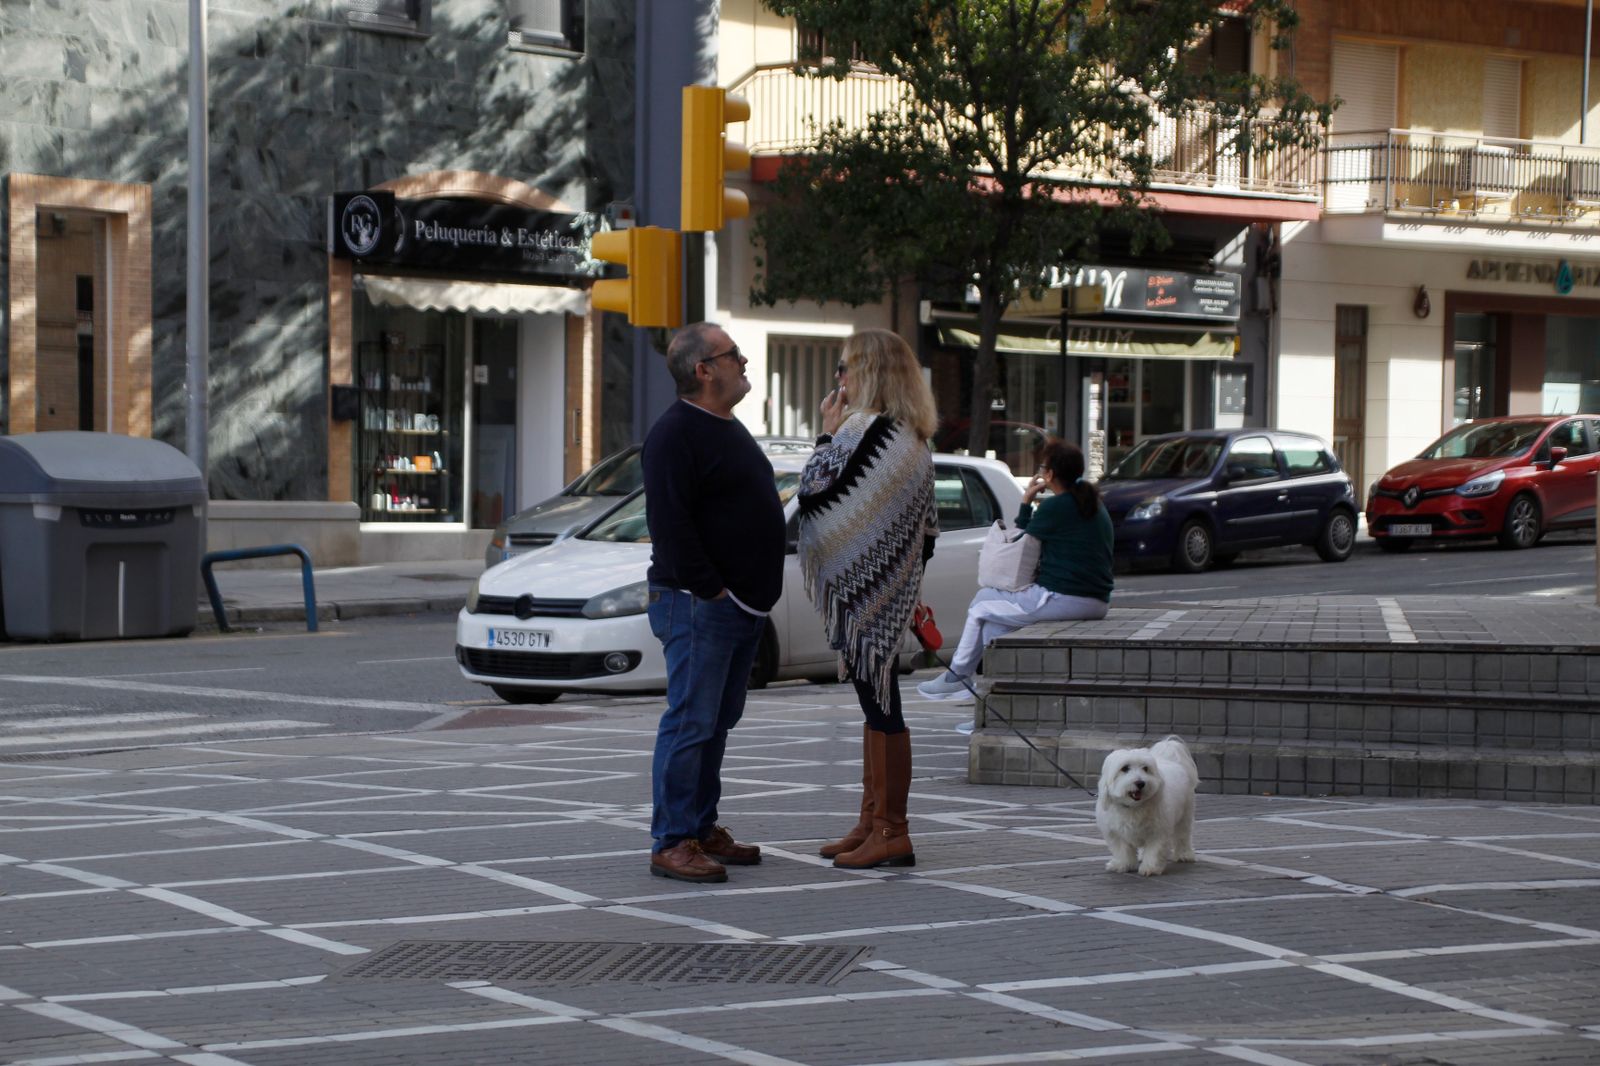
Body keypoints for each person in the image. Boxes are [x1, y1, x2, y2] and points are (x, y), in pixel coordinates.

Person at [641, 323, 786, 883]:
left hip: (736, 605)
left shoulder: (725, 426)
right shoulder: (675, 433)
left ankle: (700, 827)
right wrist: (711, 588)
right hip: (698, 603)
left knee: (715, 723)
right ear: (704, 370)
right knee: (691, 722)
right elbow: (670, 524)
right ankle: (672, 840)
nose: (744, 361)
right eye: (733, 355)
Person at [798, 329, 938, 870]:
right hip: (886, 594)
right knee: (878, 702)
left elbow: (812, 492)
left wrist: (826, 435)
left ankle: (890, 830)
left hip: (861, 599)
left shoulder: (861, 430)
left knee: (881, 706)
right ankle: (872, 821)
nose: (839, 378)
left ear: (869, 372)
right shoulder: (913, 438)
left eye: (845, 368)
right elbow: (928, 531)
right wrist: (900, 585)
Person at [918, 439, 1113, 723]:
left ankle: (957, 676)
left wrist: (1025, 503)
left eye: (1043, 467)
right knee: (993, 628)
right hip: (1094, 601)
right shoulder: (1093, 503)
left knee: (982, 602)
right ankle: (991, 713)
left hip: (1064, 598)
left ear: (1049, 474)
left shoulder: (1056, 507)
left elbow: (1020, 543)